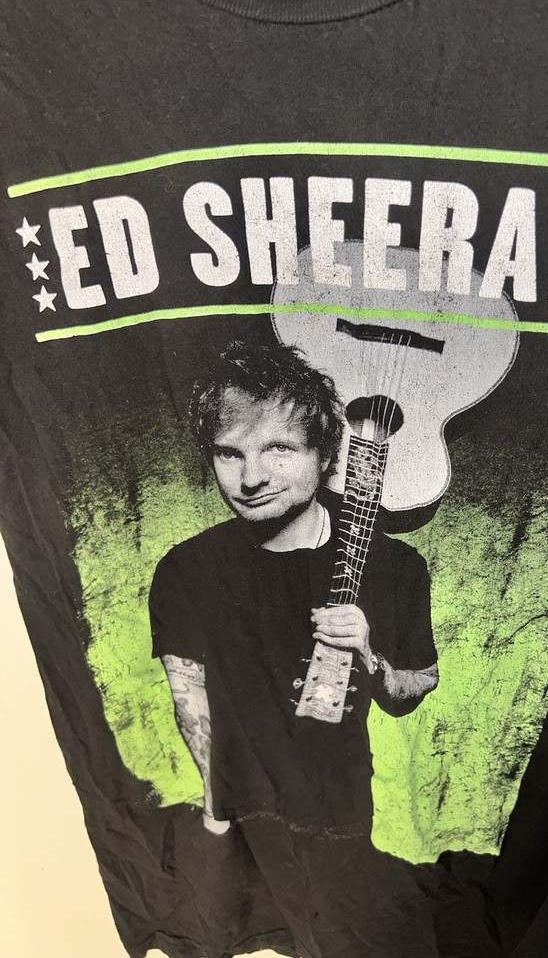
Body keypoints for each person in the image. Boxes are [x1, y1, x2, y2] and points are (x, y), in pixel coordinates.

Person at [149, 340, 441, 957]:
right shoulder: (187, 570)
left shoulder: (395, 566)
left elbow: (414, 686)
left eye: (278, 449)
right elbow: (190, 702)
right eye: (230, 453)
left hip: (342, 818)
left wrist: (371, 655)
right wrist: (217, 819)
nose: (251, 478)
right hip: (240, 819)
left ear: (326, 454)